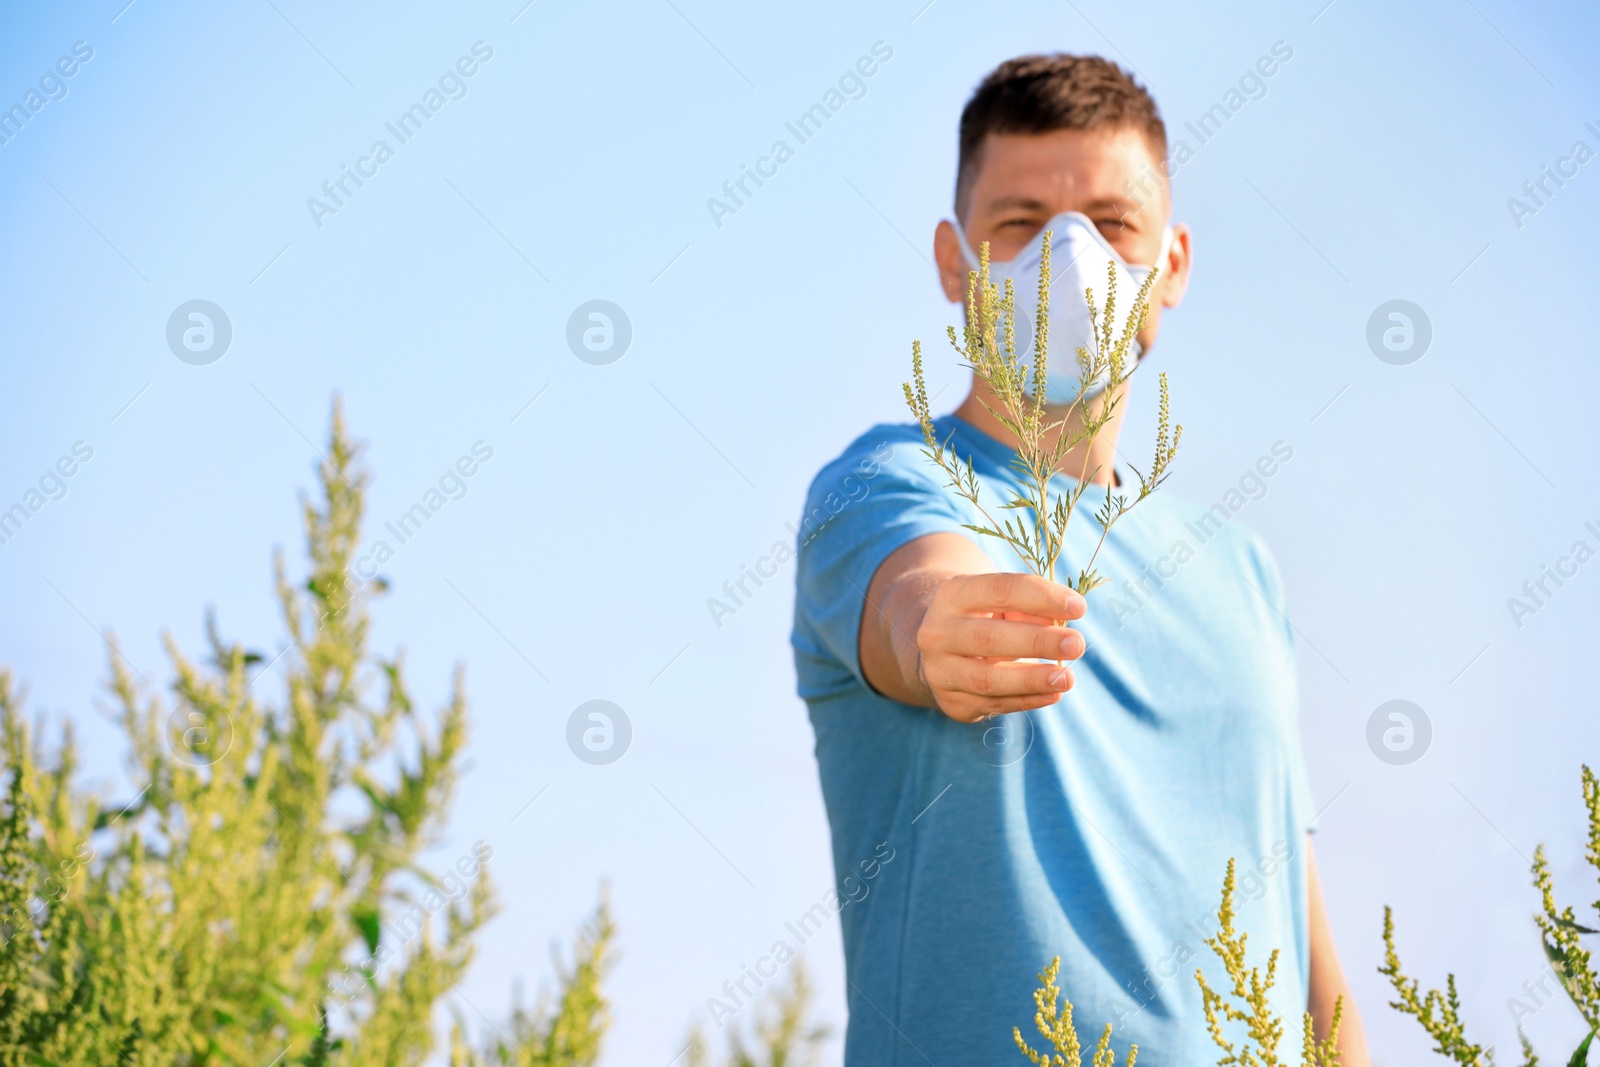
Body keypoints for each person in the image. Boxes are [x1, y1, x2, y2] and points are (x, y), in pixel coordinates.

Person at [790, 54, 1371, 1065]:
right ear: (952, 261)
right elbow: (912, 598)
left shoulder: (1241, 567)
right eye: (1018, 224)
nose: (1069, 259)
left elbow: (1300, 927)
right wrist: (938, 629)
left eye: (1110, 223)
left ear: (1172, 263)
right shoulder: (884, 485)